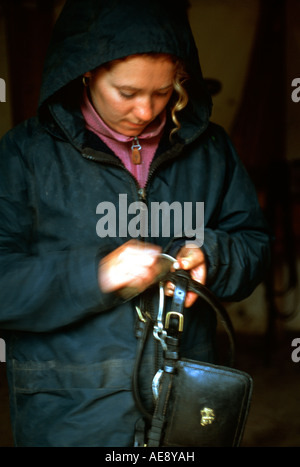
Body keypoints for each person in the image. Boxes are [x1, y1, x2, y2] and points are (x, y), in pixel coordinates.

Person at [0, 0, 271, 447]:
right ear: (86, 73)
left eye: (163, 91)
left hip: (186, 407)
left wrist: (214, 259)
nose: (145, 111)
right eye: (126, 93)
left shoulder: (210, 150)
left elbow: (255, 242)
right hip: (72, 413)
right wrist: (97, 274)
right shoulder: (24, 155)